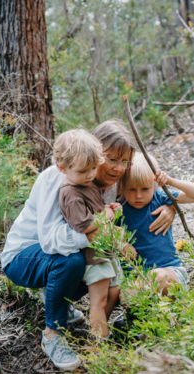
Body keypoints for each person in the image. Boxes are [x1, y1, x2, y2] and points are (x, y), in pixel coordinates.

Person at [0, 120, 177, 371]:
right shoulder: (58, 180)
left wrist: (171, 207)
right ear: (95, 151)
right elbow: (51, 242)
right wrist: (106, 235)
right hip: (24, 257)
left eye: (124, 161)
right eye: (112, 160)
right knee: (70, 261)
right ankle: (53, 334)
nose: (119, 168)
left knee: (103, 274)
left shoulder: (110, 181)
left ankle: (58, 299)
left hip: (58, 255)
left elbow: (150, 185)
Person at [54, 129, 135, 341]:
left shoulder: (85, 183)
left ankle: (100, 331)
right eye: (83, 171)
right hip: (94, 256)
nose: (90, 175)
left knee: (114, 292)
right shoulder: (70, 192)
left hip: (105, 251)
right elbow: (82, 224)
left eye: (92, 169)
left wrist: (109, 207)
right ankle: (100, 341)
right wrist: (108, 215)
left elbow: (94, 210)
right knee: (98, 301)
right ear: (63, 168)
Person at [116, 152, 194, 295]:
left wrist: (170, 181)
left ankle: (171, 302)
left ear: (155, 184)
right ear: (121, 186)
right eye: (131, 189)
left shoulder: (160, 198)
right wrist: (120, 242)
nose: (138, 195)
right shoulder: (118, 206)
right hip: (137, 277)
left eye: (145, 189)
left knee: (157, 277)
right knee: (126, 294)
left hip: (169, 271)